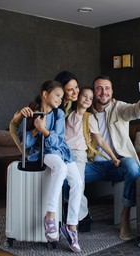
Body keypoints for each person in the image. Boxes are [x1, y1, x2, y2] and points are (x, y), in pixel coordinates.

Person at [85, 75, 140, 241]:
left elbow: (137, 110)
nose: (103, 92)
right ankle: (80, 215)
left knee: (134, 167)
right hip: (91, 165)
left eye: (107, 88)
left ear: (112, 92)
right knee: (66, 175)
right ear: (93, 91)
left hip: (117, 163)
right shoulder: (85, 110)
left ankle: (125, 218)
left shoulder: (119, 108)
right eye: (99, 88)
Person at [17, 80, 83, 253]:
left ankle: (71, 227)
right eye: (57, 95)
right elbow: (25, 143)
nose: (61, 99)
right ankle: (50, 216)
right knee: (60, 168)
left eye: (62, 97)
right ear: (45, 94)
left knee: (77, 182)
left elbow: (58, 140)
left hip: (62, 151)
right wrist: (36, 129)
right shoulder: (29, 112)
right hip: (44, 152)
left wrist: (45, 130)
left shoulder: (59, 114)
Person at [65, 87, 121, 213]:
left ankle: (82, 217)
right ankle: (72, 214)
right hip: (64, 154)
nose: (87, 99)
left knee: (77, 185)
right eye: (84, 96)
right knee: (65, 184)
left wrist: (113, 158)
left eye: (90, 98)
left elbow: (100, 140)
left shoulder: (89, 118)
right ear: (78, 97)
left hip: (79, 155)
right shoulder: (69, 114)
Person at [54, 71, 93, 232]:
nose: (76, 92)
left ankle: (81, 217)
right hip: (57, 151)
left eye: (76, 87)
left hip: (74, 153)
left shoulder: (74, 105)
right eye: (71, 90)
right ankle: (61, 217)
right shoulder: (58, 107)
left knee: (76, 184)